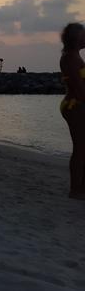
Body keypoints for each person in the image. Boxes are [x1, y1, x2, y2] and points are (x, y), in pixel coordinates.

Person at [60, 23, 85, 199]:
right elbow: (78, 87)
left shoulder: (75, 56)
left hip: (76, 104)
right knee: (80, 148)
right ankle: (76, 190)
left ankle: (80, 188)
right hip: (75, 105)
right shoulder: (71, 58)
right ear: (76, 38)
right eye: (83, 35)